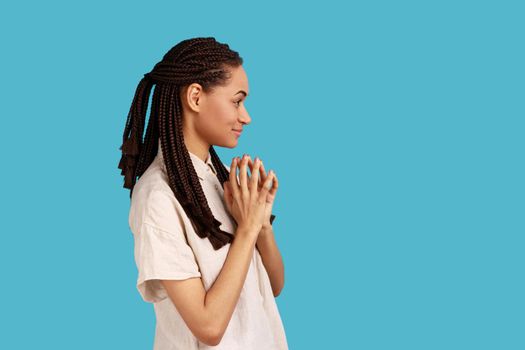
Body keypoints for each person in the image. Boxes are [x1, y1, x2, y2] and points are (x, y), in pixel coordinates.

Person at [118, 37, 288, 349]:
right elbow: (208, 327)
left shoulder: (218, 178)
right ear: (195, 97)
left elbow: (274, 286)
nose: (246, 116)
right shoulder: (157, 197)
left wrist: (260, 222)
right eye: (237, 101)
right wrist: (247, 229)